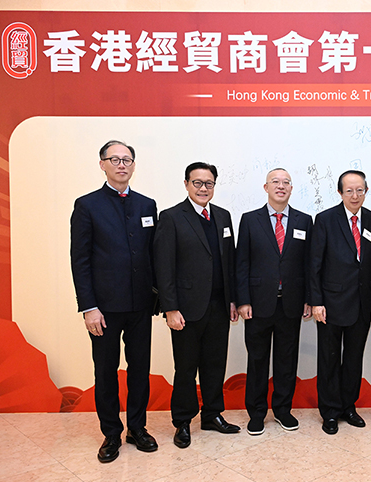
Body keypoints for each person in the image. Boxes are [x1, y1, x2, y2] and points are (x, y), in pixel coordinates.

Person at [70, 140, 158, 463]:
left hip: (141, 305)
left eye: (127, 160)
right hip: (104, 309)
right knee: (106, 372)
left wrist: (158, 297)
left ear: (133, 165)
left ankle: (137, 427)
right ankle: (111, 433)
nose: (122, 165)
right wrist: (88, 307)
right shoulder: (87, 205)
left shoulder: (147, 205)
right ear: (102, 164)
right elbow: (80, 260)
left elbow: (152, 254)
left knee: (140, 369)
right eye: (115, 159)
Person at [153, 162, 241, 449]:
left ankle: (212, 415)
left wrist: (232, 300)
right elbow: (164, 266)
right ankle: (182, 421)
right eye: (198, 183)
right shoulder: (171, 217)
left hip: (219, 306)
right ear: (186, 184)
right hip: (186, 309)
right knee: (186, 368)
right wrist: (170, 308)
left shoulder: (223, 216)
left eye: (209, 183)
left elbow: (229, 262)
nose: (204, 188)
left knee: (215, 364)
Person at [236, 168, 313, 436]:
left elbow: (309, 264)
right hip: (257, 304)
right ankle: (256, 413)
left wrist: (309, 299)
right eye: (275, 182)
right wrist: (243, 300)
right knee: (257, 360)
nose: (281, 186)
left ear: (291, 188)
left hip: (291, 303)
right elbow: (241, 262)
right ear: (266, 187)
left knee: (286, 360)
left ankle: (282, 410)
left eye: (286, 182)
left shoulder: (305, 221)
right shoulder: (250, 220)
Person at [309, 170, 371, 435]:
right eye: (349, 190)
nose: (355, 195)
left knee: (353, 358)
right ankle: (329, 412)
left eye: (360, 190)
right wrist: (316, 301)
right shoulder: (325, 219)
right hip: (330, 303)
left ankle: (348, 407)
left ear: (366, 191)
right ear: (340, 192)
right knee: (329, 359)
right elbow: (314, 264)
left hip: (362, 304)